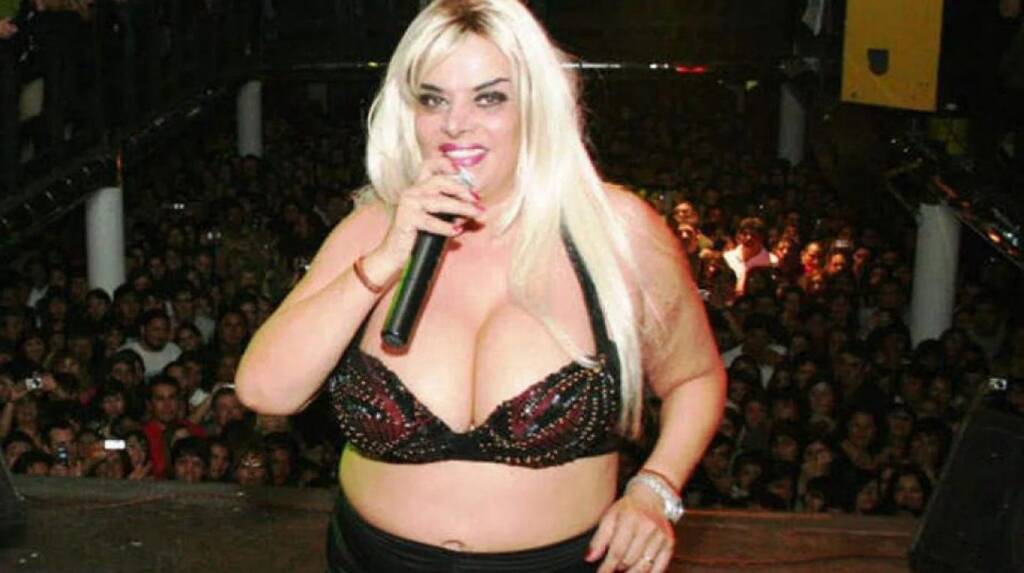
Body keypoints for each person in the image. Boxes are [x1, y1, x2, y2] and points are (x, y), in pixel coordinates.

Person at [237, 1, 725, 572]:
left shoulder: (616, 231)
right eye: (433, 99)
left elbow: (695, 378)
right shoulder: (371, 230)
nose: (455, 124)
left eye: (489, 98)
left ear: (535, 105)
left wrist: (656, 488)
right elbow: (265, 392)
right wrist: (388, 256)